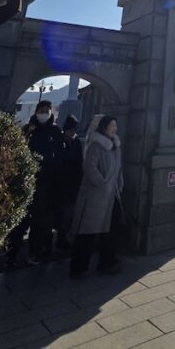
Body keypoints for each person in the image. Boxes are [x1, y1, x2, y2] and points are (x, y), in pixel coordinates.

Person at [69, 115, 124, 277]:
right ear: (103, 127)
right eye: (111, 126)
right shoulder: (95, 146)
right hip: (95, 197)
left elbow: (119, 168)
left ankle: (108, 261)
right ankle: (79, 268)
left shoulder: (115, 145)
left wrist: (119, 183)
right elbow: (90, 168)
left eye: (115, 126)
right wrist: (102, 183)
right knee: (87, 233)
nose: (114, 128)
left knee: (112, 229)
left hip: (111, 195)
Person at [26, 100, 66, 263]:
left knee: (46, 219)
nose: (44, 113)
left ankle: (43, 250)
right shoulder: (29, 130)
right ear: (36, 111)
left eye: (47, 110)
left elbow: (61, 155)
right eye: (41, 110)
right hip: (30, 180)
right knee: (28, 221)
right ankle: (18, 253)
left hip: (50, 182)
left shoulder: (56, 131)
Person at [55, 115, 84, 249]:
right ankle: (58, 240)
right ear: (66, 129)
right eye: (71, 129)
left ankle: (65, 239)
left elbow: (80, 162)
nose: (73, 132)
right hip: (59, 184)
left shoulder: (77, 142)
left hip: (73, 185)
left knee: (69, 215)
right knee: (59, 215)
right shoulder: (58, 141)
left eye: (75, 130)